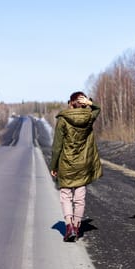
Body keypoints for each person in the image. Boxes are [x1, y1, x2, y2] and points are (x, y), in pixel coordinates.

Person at [50, 91, 102, 242]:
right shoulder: (89, 117)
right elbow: (97, 110)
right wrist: (90, 103)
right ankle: (77, 226)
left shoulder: (63, 119)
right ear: (83, 103)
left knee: (66, 195)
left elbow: (57, 146)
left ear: (71, 103)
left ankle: (69, 227)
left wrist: (53, 166)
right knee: (80, 196)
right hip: (83, 163)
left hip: (66, 163)